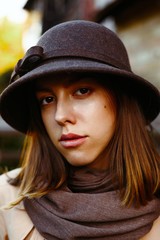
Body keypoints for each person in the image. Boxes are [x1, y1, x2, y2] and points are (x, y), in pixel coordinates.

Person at [0, 20, 160, 240]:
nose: (60, 116)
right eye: (47, 99)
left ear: (122, 102)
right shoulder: (6, 197)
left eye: (82, 91)